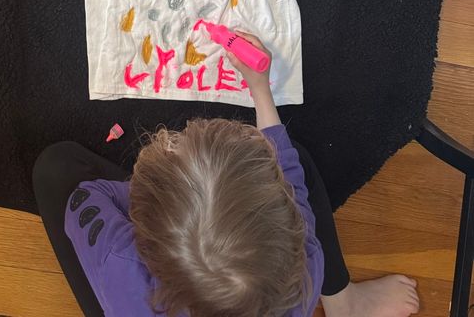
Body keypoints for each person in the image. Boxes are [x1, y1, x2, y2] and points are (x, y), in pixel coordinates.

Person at [33, 34, 420, 317]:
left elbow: (90, 198)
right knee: (295, 161)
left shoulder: (121, 263)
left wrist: (145, 195)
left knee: (55, 167)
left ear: (145, 241)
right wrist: (260, 90)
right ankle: (345, 304)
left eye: (175, 148)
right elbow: (287, 173)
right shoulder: (301, 268)